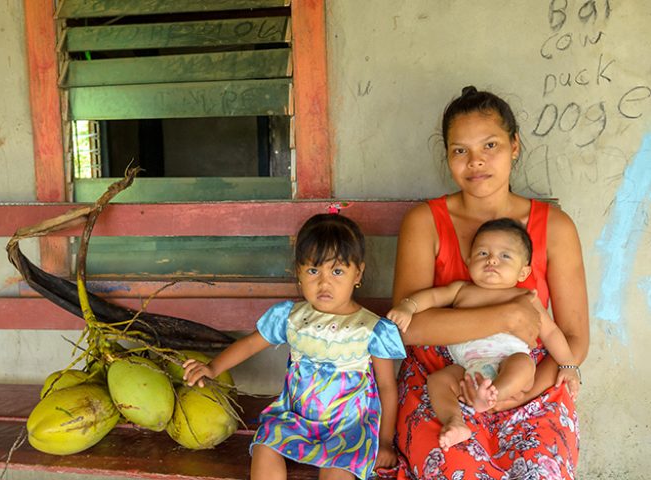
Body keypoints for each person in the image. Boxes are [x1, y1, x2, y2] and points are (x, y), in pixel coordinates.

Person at [390, 86, 589, 479]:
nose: (475, 161)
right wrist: (507, 317)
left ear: (515, 146)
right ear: (447, 156)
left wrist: (523, 392)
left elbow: (574, 340)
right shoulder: (425, 222)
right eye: (460, 150)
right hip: (442, 384)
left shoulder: (555, 228)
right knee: (454, 468)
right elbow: (406, 330)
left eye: (491, 145)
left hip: (528, 377)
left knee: (539, 470)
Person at [183, 213, 406, 480]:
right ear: (298, 272)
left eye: (337, 271)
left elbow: (386, 387)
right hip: (295, 419)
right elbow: (251, 344)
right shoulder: (292, 317)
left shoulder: (370, 328)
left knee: (339, 470)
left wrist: (385, 442)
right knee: (265, 446)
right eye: (313, 270)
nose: (324, 282)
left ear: (357, 273)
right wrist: (212, 367)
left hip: (347, 427)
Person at [387, 218, 581, 452]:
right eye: (482, 253)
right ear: (469, 262)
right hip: (467, 367)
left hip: (507, 359)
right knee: (438, 381)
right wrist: (408, 306)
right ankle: (454, 421)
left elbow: (550, 332)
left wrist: (568, 365)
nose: (491, 260)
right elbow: (432, 297)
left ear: (523, 272)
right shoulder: (461, 290)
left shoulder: (526, 298)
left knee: (523, 365)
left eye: (505, 256)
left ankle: (495, 394)